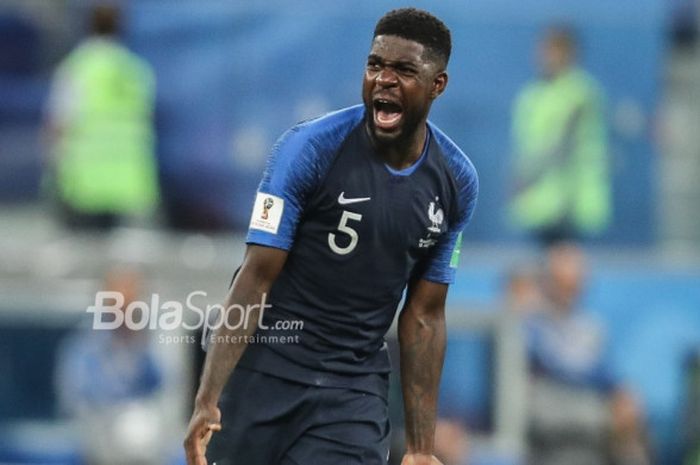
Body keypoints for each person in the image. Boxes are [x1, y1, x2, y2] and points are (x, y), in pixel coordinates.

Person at [184, 8, 478, 465]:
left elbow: (424, 315)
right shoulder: (308, 150)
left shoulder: (455, 181)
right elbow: (254, 279)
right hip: (265, 374)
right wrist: (207, 397)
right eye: (375, 64)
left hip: (351, 392)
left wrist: (421, 448)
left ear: (437, 84)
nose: (384, 79)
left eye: (403, 70)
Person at [523, 243, 650, 465]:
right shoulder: (530, 323)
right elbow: (559, 367)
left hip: (593, 430)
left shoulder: (591, 328)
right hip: (550, 425)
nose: (571, 291)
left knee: (632, 424)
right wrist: (607, 411)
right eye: (563, 283)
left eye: (576, 283)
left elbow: (609, 378)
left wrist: (624, 398)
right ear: (547, 282)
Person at [44, 4, 158, 229]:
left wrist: (52, 167)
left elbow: (59, 122)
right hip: (129, 184)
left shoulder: (78, 68)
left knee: (84, 257)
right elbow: (147, 118)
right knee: (122, 260)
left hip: (85, 185)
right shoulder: (137, 70)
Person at [509, 26, 610, 245]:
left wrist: (528, 176)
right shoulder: (531, 95)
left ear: (570, 53)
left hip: (570, 205)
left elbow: (565, 144)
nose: (544, 55)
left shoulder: (581, 93)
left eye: (552, 50)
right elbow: (524, 147)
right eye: (543, 49)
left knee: (566, 270)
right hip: (537, 201)